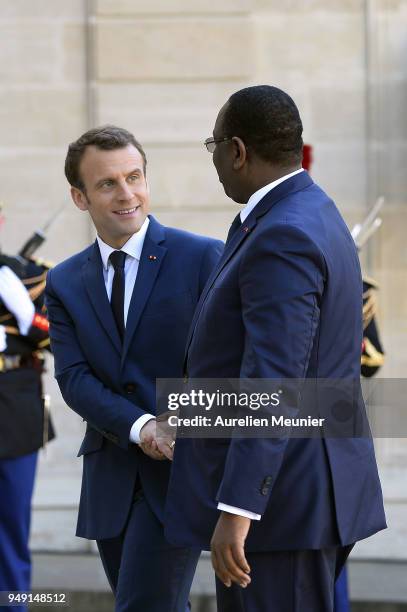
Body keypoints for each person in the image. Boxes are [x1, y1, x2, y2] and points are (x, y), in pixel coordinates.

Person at [164, 85, 387, 611]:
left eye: (213, 144)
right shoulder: (311, 209)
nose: (214, 158)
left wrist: (238, 507)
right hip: (303, 489)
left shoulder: (282, 233)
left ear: (237, 150)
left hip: (280, 505)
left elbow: (271, 380)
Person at [45, 125, 223, 611]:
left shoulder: (202, 257)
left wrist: (176, 422)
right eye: (108, 184)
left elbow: (222, 361)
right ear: (80, 198)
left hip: (180, 472)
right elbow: (74, 378)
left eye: (135, 177)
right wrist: (141, 426)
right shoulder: (63, 280)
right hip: (111, 476)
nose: (127, 194)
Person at [0, 217, 54, 612]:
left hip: (13, 407)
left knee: (10, 526)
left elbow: (60, 335)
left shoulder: (28, 275)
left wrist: (24, 317)